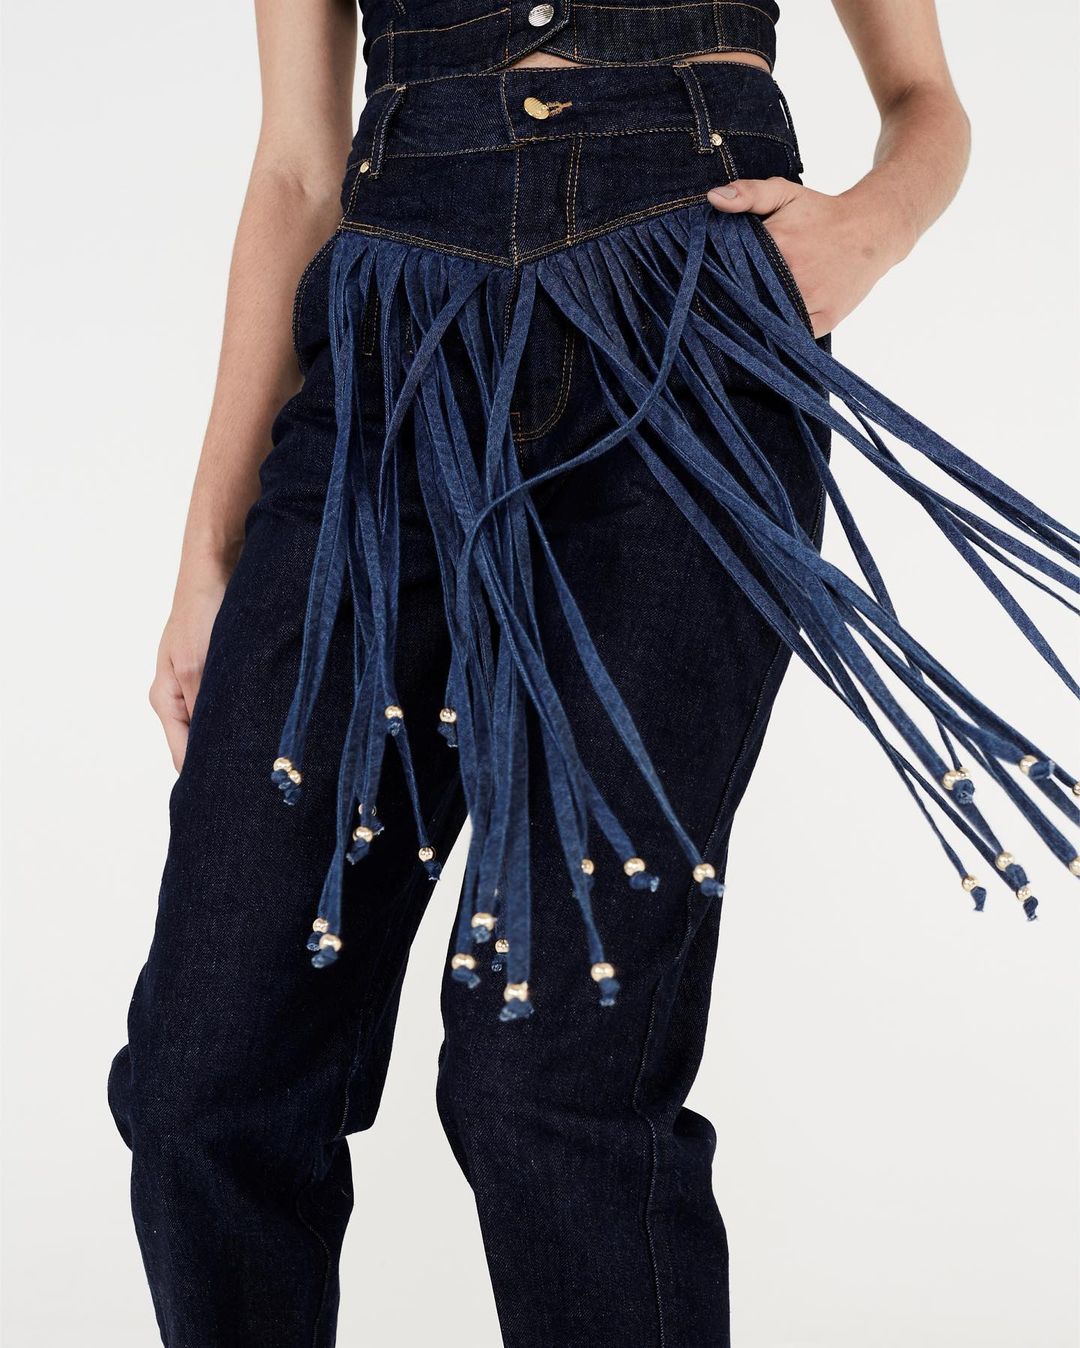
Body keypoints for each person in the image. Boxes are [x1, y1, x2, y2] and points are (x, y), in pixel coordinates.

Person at [107, 1, 1078, 1343]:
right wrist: (207, 558)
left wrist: (871, 226)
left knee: (546, 1079)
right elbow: (295, 170)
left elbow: (926, 99)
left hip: (681, 339)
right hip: (387, 364)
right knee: (202, 1081)